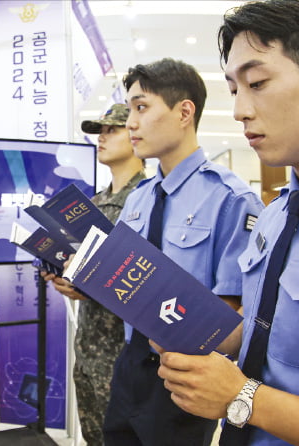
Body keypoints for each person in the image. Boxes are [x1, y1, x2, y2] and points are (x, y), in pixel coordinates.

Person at [155, 2, 299, 445]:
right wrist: (186, 331)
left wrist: (241, 396)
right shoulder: (275, 214)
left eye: (258, 83)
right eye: (233, 90)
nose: (241, 109)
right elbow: (269, 325)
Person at [102, 58, 264, 446]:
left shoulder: (231, 199)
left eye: (142, 107)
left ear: (184, 112)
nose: (131, 123)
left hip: (183, 372)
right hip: (128, 365)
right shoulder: (138, 198)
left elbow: (231, 308)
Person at [43, 103, 146, 445]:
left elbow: (144, 278)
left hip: (124, 352)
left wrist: (89, 284)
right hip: (89, 345)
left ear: (134, 133)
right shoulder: (96, 203)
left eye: (111, 130)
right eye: (99, 131)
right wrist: (61, 275)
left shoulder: (148, 199)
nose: (101, 138)